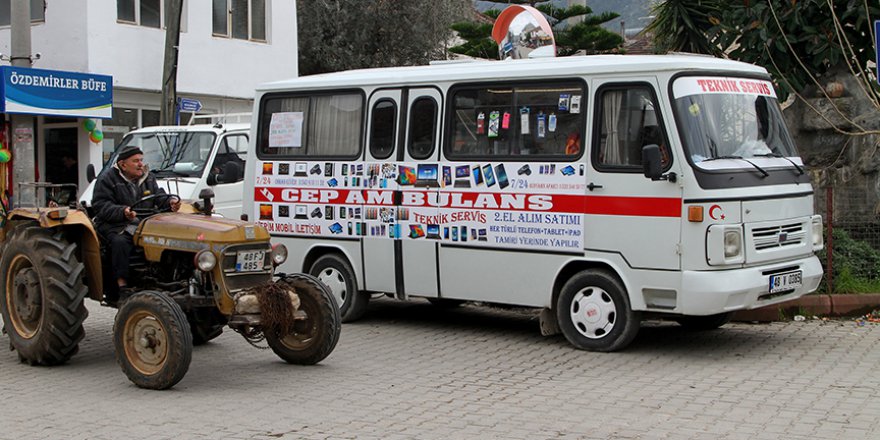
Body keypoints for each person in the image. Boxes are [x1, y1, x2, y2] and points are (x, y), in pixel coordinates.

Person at [92, 146, 180, 294]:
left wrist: (170, 202)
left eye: (141, 160)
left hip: (143, 222)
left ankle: (165, 277)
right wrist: (122, 211)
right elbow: (100, 205)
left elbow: (158, 196)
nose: (140, 164)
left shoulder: (148, 177)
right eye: (136, 161)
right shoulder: (107, 179)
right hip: (115, 223)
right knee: (120, 242)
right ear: (123, 164)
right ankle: (122, 286)